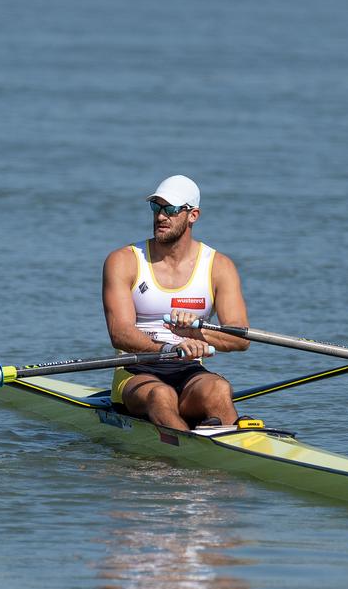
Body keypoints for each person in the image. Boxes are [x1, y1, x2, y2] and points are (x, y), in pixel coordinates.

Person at [102, 175, 249, 431]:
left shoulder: (219, 267)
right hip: (137, 370)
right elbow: (120, 333)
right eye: (156, 207)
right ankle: (189, 453)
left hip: (189, 370)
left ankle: (237, 448)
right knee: (161, 395)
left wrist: (198, 334)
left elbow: (240, 338)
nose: (161, 216)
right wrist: (169, 347)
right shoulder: (123, 261)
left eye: (170, 209)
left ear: (193, 215)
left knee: (219, 389)